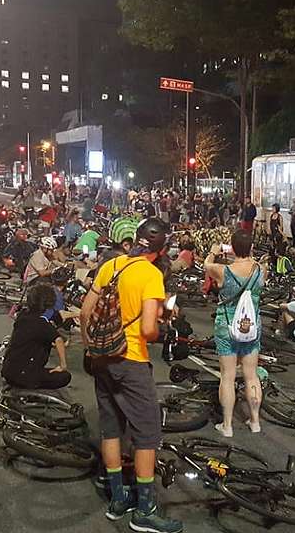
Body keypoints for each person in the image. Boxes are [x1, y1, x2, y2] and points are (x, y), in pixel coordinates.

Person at [80, 217, 182, 533]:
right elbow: (149, 329)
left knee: (110, 428)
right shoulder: (151, 275)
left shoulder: (112, 265)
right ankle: (146, 511)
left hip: (100, 358)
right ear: (160, 249)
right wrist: (162, 323)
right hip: (130, 359)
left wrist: (92, 346)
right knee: (146, 433)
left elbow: (85, 310)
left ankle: (118, 499)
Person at [203, 230, 267, 438]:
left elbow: (206, 265)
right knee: (251, 375)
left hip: (227, 327)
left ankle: (227, 425)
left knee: (228, 377)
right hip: (252, 328)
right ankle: (255, 421)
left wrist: (213, 252)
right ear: (251, 248)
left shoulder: (223, 271)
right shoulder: (261, 270)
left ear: (231, 247)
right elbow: (254, 265)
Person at [2, 280, 71, 390]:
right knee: (65, 377)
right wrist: (63, 366)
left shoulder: (23, 315)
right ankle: (29, 390)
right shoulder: (42, 324)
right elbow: (59, 340)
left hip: (7, 370)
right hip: (23, 375)